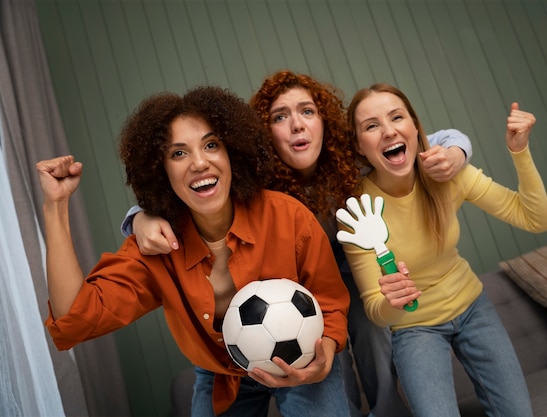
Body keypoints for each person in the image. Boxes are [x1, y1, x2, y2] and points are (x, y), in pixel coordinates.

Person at [123, 71, 473, 417]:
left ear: (325, 122)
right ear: (262, 133)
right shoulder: (254, 180)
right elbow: (186, 193)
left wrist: (457, 152)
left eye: (307, 111)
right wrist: (138, 218)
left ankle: (387, 410)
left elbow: (440, 136)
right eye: (280, 117)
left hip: (353, 274)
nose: (297, 125)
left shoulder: (351, 162)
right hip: (297, 289)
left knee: (372, 330)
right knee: (321, 348)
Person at [36, 85, 353, 417]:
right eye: (178, 153)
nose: (200, 162)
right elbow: (76, 319)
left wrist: (324, 357)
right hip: (221, 374)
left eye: (211, 145)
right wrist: (55, 207)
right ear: (161, 171)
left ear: (232, 152)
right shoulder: (156, 247)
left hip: (301, 359)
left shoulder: (288, 217)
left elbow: (329, 300)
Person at [339, 83, 547, 416]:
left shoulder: (448, 173)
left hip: (474, 309)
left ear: (414, 126)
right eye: (371, 125)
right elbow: (376, 310)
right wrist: (395, 301)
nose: (388, 131)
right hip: (415, 329)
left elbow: (535, 219)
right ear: (358, 145)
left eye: (397, 117)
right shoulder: (358, 211)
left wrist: (520, 150)